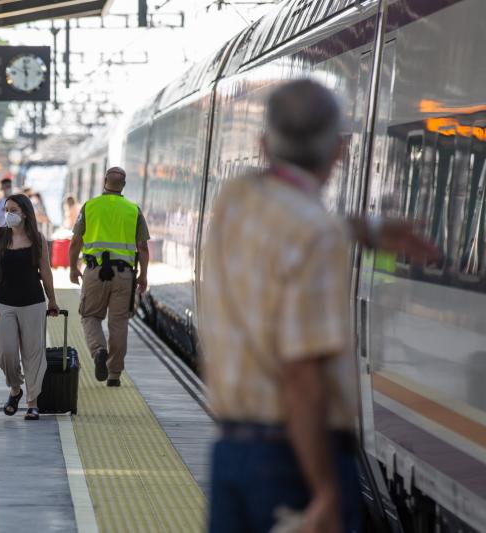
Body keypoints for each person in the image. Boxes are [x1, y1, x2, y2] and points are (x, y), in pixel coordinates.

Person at [200, 80, 437, 533]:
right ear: (341, 150)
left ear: (263, 145)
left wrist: (361, 228)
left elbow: (284, 220)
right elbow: (302, 375)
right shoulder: (317, 237)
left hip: (233, 455)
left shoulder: (235, 201)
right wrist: (325, 489)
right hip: (294, 463)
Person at [68, 167, 150, 387]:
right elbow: (142, 247)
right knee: (118, 322)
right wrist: (143, 275)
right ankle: (114, 374)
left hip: (95, 272)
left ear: (104, 182)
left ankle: (99, 351)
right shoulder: (133, 210)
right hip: (124, 275)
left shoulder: (90, 206)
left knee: (90, 316)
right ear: (123, 185)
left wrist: (72, 268)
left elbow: (75, 241)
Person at [0, 194, 59, 421]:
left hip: (33, 302)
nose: (8, 214)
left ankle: (32, 403)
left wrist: (53, 300)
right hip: (4, 302)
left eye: (13, 210)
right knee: (5, 353)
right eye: (6, 210)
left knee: (33, 354)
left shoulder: (37, 239)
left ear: (25, 213)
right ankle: (15, 389)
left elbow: (45, 271)